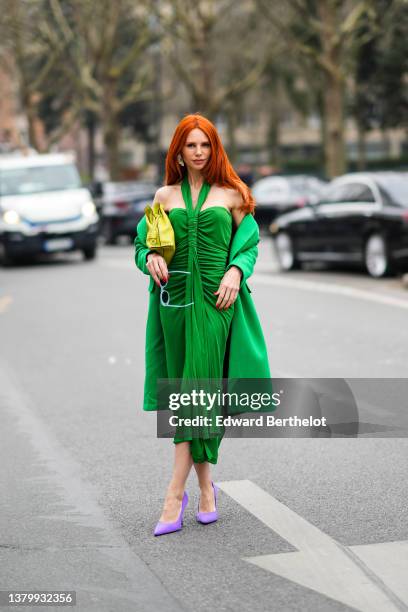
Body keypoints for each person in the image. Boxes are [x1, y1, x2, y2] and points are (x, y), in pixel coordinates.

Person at [134, 113, 271, 536]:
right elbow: (142, 245)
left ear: (215, 150)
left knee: (197, 388)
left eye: (205, 145)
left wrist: (235, 271)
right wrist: (150, 258)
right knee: (188, 393)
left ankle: (173, 496)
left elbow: (249, 245)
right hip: (173, 304)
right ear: (177, 150)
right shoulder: (164, 196)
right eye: (190, 145)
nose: (197, 153)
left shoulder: (232, 195)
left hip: (216, 303)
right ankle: (207, 488)